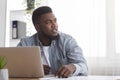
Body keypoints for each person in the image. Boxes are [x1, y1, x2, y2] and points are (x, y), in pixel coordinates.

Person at [17, 6, 88, 78]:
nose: (55, 25)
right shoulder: (25, 43)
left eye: (55, 21)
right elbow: (14, 66)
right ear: (37, 27)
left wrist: (73, 67)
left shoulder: (67, 41)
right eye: (48, 22)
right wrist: (33, 69)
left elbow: (84, 67)